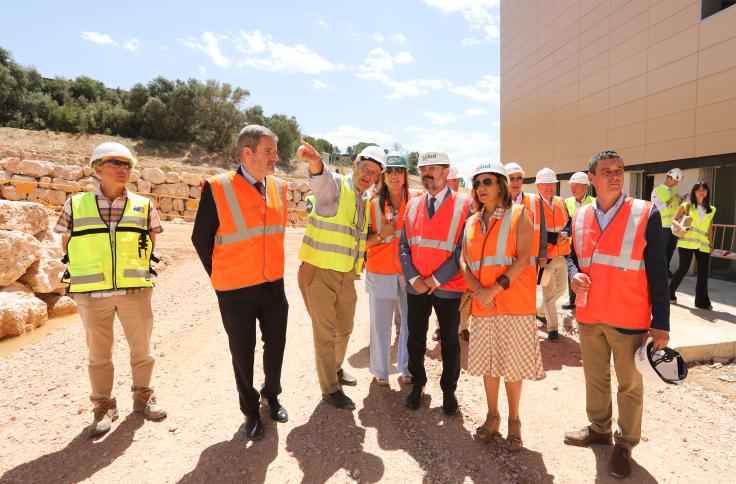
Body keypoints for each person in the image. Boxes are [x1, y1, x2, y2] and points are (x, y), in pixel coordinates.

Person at [564, 150, 670, 479]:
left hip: (629, 317)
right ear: (591, 178)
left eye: (619, 170)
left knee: (629, 384)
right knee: (595, 378)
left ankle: (624, 444)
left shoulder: (645, 213)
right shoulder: (580, 215)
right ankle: (599, 429)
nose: (614, 175)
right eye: (606, 171)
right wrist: (572, 274)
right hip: (590, 313)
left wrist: (661, 325)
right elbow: (570, 254)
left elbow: (658, 272)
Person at [56, 141, 166, 437]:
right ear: (98, 169)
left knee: (142, 349)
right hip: (91, 294)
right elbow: (66, 243)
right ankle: (103, 406)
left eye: (128, 165)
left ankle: (143, 396)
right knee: (99, 354)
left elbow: (152, 242)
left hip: (135, 290)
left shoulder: (145, 205)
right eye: (116, 163)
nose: (123, 170)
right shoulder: (75, 205)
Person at [191, 125, 289, 440]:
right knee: (242, 352)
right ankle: (250, 411)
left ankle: (270, 395)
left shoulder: (280, 188)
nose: (276, 157)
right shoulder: (218, 187)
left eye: (275, 150)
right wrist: (220, 274)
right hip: (235, 289)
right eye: (269, 151)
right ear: (247, 153)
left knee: (276, 346)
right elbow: (200, 238)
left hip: (273, 285)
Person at [460, 161, 544, 451]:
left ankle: (514, 421)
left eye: (487, 182)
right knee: (489, 365)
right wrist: (479, 291)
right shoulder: (471, 221)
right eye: (477, 183)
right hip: (484, 305)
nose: (481, 188)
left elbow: (523, 258)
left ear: (501, 185)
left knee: (513, 367)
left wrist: (492, 290)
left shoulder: (520, 214)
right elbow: (463, 261)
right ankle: (492, 416)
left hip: (514, 304)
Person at [297, 142, 384, 410]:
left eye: (374, 172)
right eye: (365, 167)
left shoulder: (363, 200)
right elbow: (321, 178)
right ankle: (329, 389)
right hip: (319, 272)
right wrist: (314, 161)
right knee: (325, 334)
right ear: (354, 166)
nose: (368, 174)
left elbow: (356, 240)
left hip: (346, 274)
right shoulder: (336, 185)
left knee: (344, 328)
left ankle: (334, 368)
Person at [400, 150, 472, 416]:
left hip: (449, 286)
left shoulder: (465, 206)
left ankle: (448, 391)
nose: (427, 174)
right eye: (423, 169)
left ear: (446, 171)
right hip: (417, 286)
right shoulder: (412, 205)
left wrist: (436, 279)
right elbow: (404, 246)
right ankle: (417, 384)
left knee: (450, 341)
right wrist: (416, 278)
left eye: (433, 169)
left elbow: (463, 249)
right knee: (415, 338)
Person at [365, 151, 414, 386]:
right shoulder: (372, 204)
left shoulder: (415, 204)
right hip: (380, 270)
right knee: (380, 323)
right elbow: (361, 242)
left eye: (399, 171)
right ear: (383, 177)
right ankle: (380, 372)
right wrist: (381, 235)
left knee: (409, 322)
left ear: (405, 175)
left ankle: (406, 368)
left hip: (408, 272)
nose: (394, 176)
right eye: (390, 171)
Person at [433, 164, 471, 343]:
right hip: (442, 259)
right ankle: (440, 327)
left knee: (464, 296)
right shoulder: (438, 202)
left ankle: (464, 327)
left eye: (457, 181)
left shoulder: (465, 202)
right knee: (440, 294)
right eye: (453, 180)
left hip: (462, 257)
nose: (456, 183)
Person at [535, 167, 570, 341]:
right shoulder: (533, 203)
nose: (549, 186)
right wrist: (554, 237)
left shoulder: (560, 201)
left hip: (561, 254)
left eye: (552, 183)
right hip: (545, 257)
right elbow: (533, 230)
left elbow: (568, 222)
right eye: (545, 183)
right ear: (538, 186)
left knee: (562, 288)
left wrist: (566, 233)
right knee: (549, 293)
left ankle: (540, 311)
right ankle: (553, 328)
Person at [669, 181, 716, 310]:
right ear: (694, 192)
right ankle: (669, 293)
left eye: (704, 190)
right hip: (687, 241)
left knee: (703, 273)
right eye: (699, 189)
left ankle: (702, 302)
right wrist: (681, 227)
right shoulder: (687, 206)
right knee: (683, 268)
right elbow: (674, 219)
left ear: (707, 193)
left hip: (703, 244)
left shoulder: (711, 209)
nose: (702, 192)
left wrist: (711, 243)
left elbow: (709, 226)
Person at [505, 162, 548, 275]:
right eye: (511, 178)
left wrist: (543, 255)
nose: (516, 182)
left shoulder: (536, 201)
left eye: (519, 178)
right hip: (505, 263)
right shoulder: (497, 203)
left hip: (530, 263)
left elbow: (542, 230)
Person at [561, 171, 595, 310]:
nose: (573, 189)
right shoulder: (567, 202)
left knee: (588, 271)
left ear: (586, 187)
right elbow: (566, 222)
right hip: (571, 243)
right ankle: (573, 300)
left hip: (588, 244)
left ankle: (590, 300)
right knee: (572, 270)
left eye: (576, 186)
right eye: (572, 186)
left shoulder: (594, 202)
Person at [651, 168, 683, 275]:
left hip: (673, 226)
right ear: (668, 178)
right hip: (662, 227)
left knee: (670, 250)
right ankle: (659, 271)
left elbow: (675, 207)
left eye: (678, 182)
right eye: (675, 181)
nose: (676, 184)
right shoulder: (656, 191)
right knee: (661, 251)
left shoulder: (674, 191)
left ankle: (666, 270)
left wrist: (681, 199)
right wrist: (672, 200)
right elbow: (656, 209)